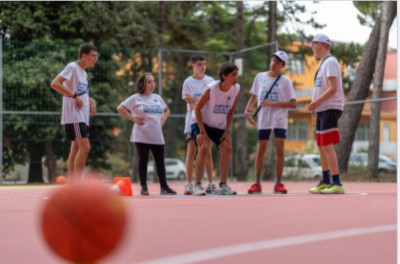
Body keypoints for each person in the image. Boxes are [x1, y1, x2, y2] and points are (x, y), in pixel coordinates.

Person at [245, 51, 297, 194]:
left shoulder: (285, 81)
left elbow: (293, 104)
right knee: (261, 149)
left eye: (278, 61)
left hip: (279, 118)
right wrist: (248, 111)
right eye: (273, 59)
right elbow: (254, 97)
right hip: (264, 119)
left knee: (279, 148)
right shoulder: (260, 77)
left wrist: (273, 103)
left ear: (282, 65)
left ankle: (278, 183)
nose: (274, 62)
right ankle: (257, 183)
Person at [117, 72, 176, 195]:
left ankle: (164, 187)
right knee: (143, 161)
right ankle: (144, 187)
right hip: (141, 135)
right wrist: (132, 118)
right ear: (142, 84)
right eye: (149, 82)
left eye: (153, 81)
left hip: (157, 135)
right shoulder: (135, 98)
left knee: (160, 162)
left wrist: (163, 120)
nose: (152, 84)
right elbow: (120, 108)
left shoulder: (157, 97)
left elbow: (166, 110)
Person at [50, 43, 98, 183]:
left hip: (83, 115)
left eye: (96, 56)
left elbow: (82, 94)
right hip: (74, 114)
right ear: (84, 55)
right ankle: (77, 185)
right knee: (85, 147)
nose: (96, 59)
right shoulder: (72, 67)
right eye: (93, 56)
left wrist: (91, 101)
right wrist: (74, 95)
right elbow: (55, 84)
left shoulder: (84, 73)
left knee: (75, 150)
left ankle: (72, 187)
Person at [191, 62, 240, 196]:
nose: (236, 77)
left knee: (227, 147)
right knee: (204, 146)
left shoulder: (236, 89)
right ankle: (198, 185)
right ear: (224, 76)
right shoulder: (212, 88)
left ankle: (223, 185)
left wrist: (226, 131)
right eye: (233, 75)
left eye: (237, 74)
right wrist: (202, 131)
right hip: (201, 122)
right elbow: (197, 108)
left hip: (218, 125)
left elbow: (230, 111)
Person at [306, 34, 345, 194]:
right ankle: (325, 180)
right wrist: (316, 105)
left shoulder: (330, 62)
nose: (313, 49)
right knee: (322, 145)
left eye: (313, 46)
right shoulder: (323, 63)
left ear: (320, 45)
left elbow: (333, 88)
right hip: (322, 108)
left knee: (327, 145)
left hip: (330, 107)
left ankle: (337, 182)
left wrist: (316, 102)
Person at [182, 55, 218, 195]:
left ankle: (209, 183)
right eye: (199, 64)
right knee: (191, 151)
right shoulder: (188, 82)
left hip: (207, 120)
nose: (202, 67)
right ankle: (188, 183)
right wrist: (199, 99)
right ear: (193, 66)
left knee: (207, 151)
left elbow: (212, 99)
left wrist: (196, 99)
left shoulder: (211, 81)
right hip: (192, 121)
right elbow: (190, 104)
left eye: (204, 64)